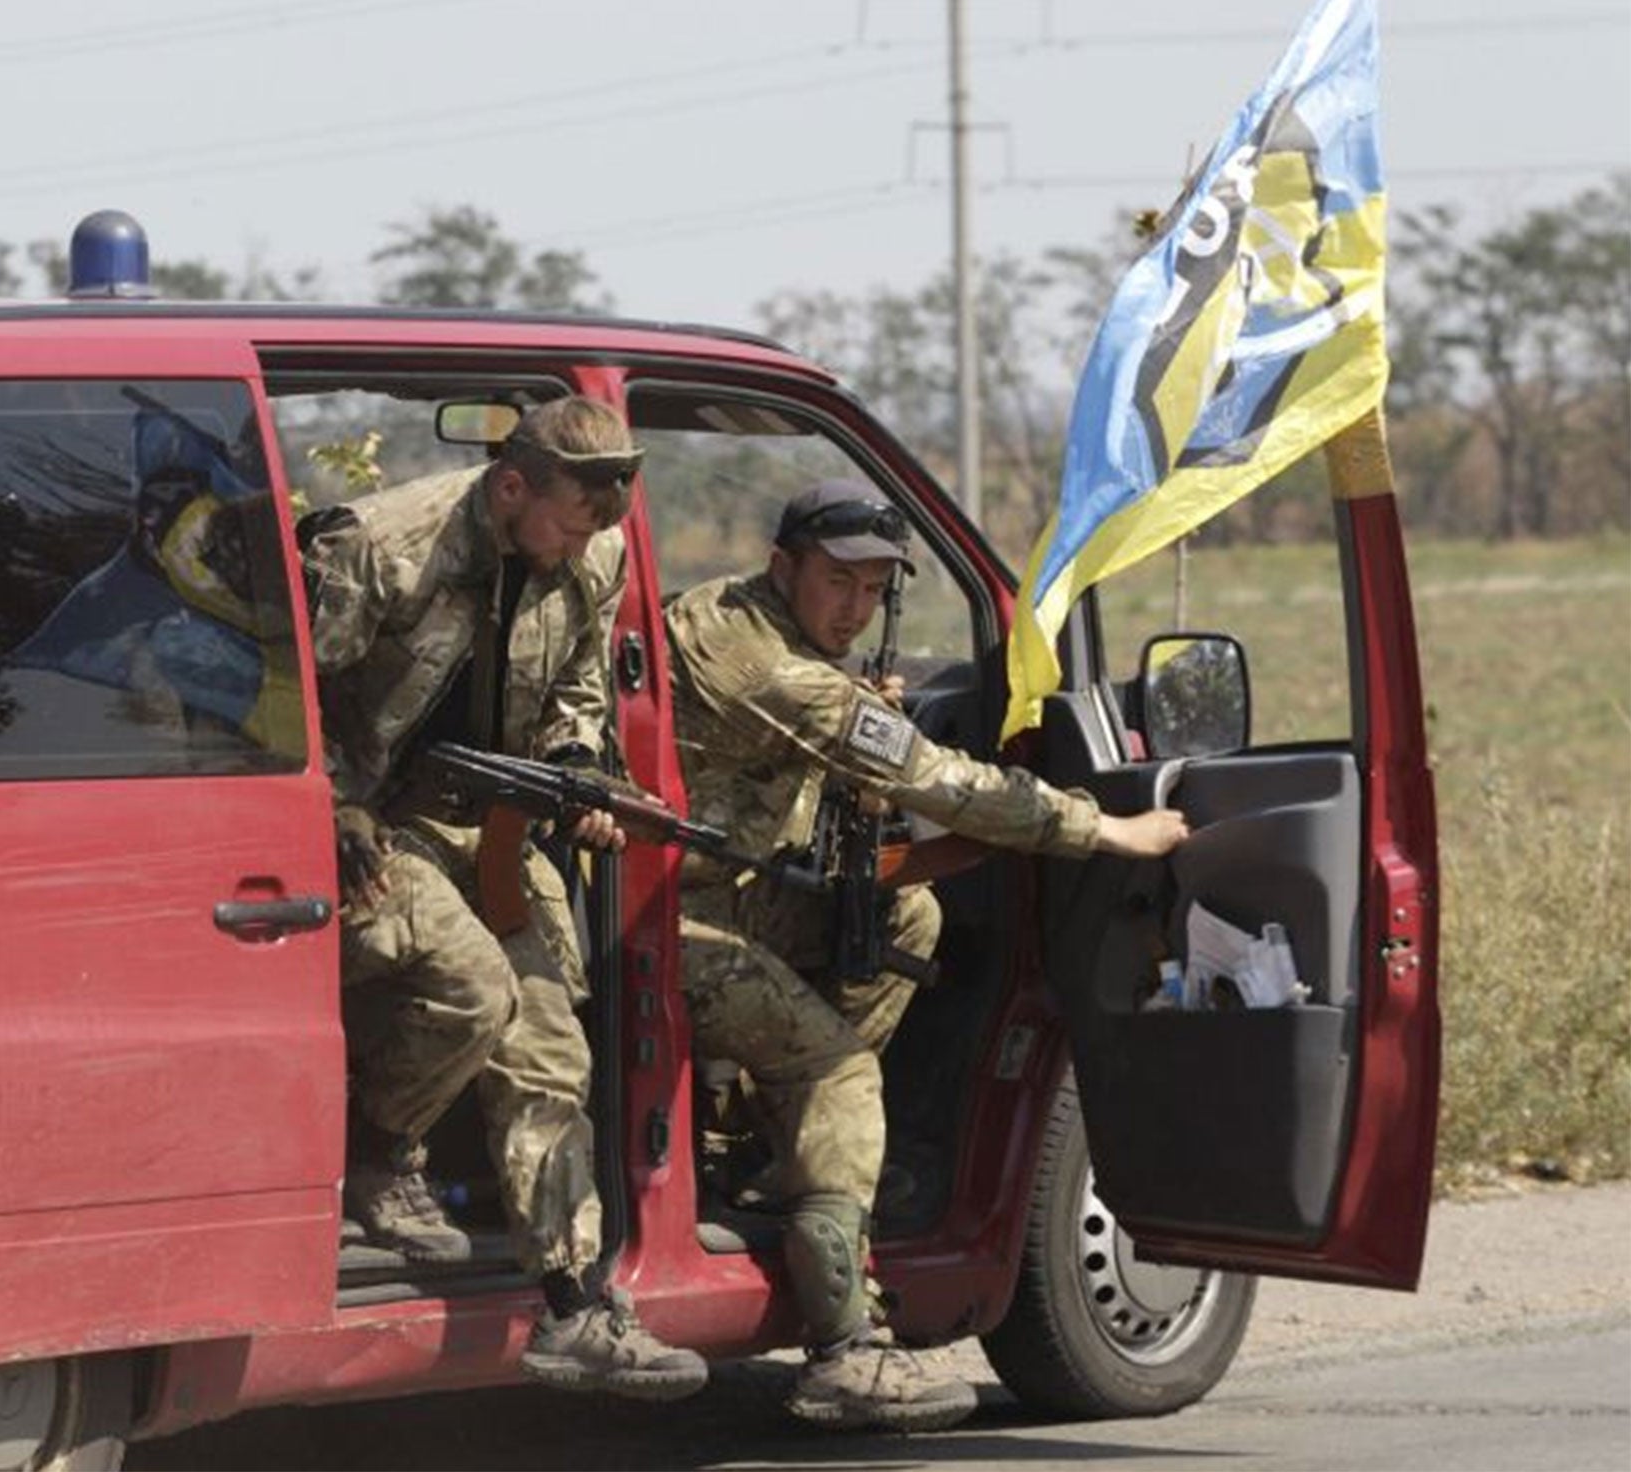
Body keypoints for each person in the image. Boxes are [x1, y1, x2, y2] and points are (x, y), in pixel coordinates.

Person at [664, 478, 1190, 1429]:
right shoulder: (773, 669)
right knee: (840, 1073)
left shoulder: (754, 622)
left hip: (724, 899)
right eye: (836, 582)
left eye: (873, 589)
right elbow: (937, 780)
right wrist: (1108, 833)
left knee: (907, 922)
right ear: (783, 566)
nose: (856, 607)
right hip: (669, 928)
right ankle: (844, 1348)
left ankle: (781, 1157)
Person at [301, 396, 708, 1401]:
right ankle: (375, 1154)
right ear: (512, 484)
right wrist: (335, 811)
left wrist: (577, 781)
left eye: (599, 530)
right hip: (366, 820)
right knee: (472, 988)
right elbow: (276, 699)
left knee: (548, 1047)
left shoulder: (592, 555)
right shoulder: (383, 550)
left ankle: (575, 1305)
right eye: (570, 522)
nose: (583, 547)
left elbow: (576, 694)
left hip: (494, 825)